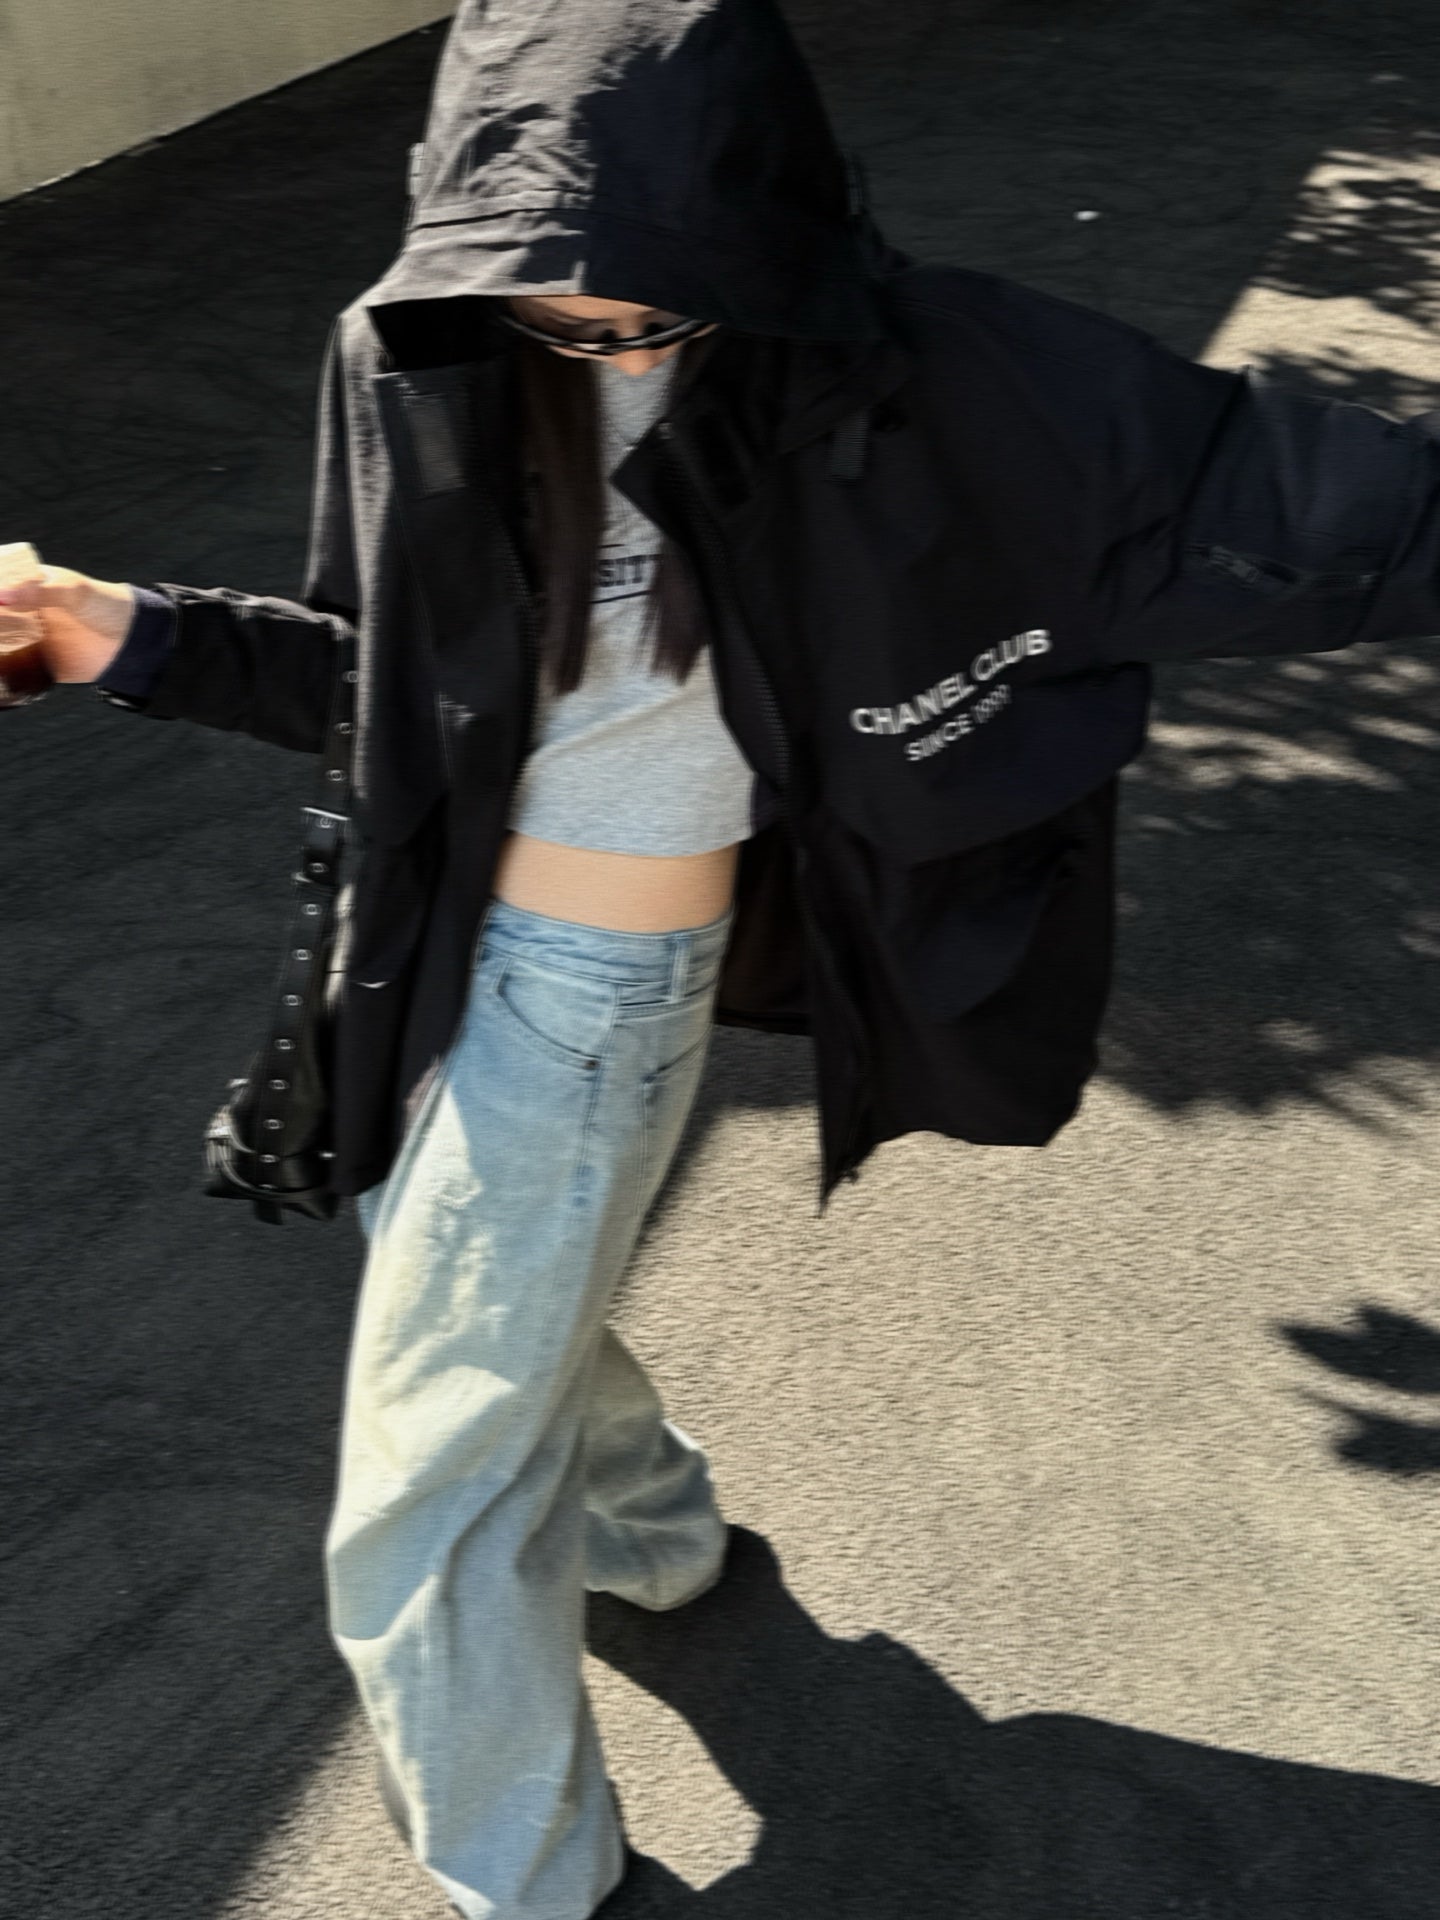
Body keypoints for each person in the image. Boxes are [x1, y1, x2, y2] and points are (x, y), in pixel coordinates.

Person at [4, 0, 1439, 1915]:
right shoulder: (417, 347)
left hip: (597, 1000)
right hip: (415, 944)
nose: (605, 346)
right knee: (477, 1326)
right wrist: (123, 631)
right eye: (557, 313)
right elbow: (398, 698)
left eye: (655, 315)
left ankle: (529, 1881)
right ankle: (659, 1533)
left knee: (425, 1501)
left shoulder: (928, 377)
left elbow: (1320, 499)